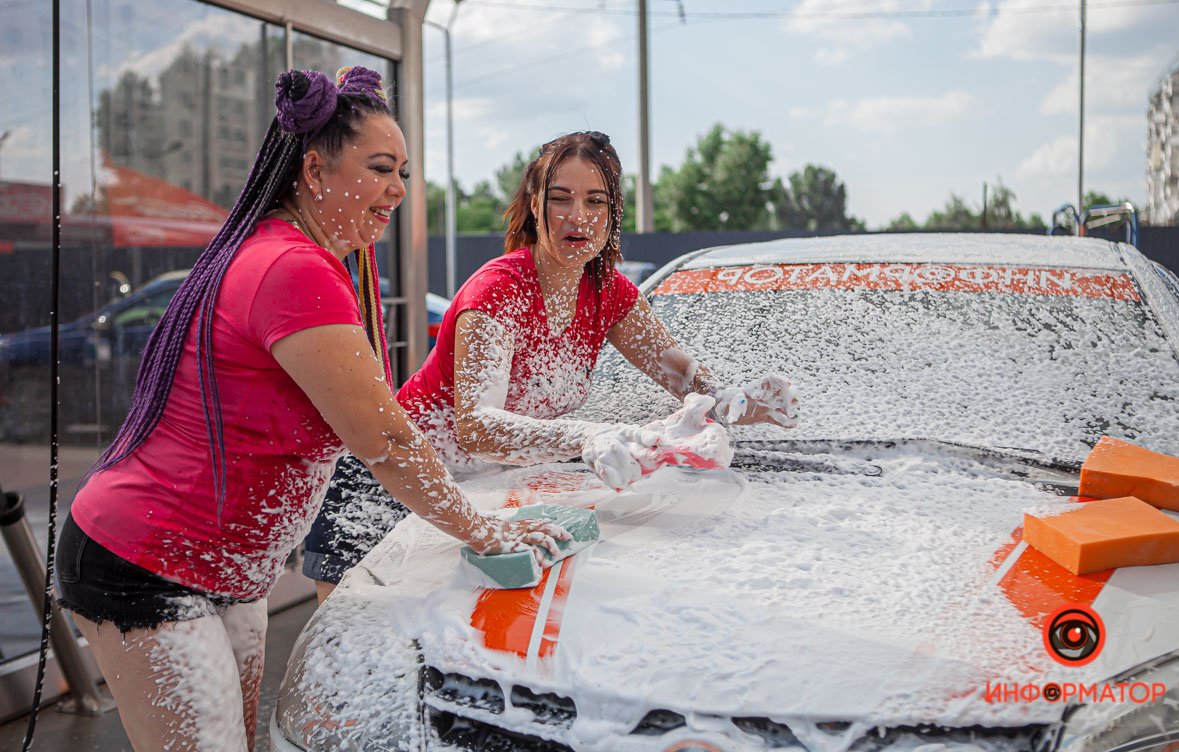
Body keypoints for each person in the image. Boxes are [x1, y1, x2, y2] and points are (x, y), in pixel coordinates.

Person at [54, 66, 564, 752]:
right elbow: (384, 437)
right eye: (381, 168)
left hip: (224, 570)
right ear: (316, 169)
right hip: (147, 560)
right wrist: (484, 532)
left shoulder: (296, 257)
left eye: (404, 172)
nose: (399, 190)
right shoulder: (292, 268)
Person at [304, 129, 801, 602]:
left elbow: (685, 378)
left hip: (473, 497)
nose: (577, 217)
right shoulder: (499, 290)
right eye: (560, 198)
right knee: (357, 660)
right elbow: (476, 427)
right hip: (388, 486)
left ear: (613, 213)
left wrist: (738, 403)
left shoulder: (609, 295)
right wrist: (587, 436)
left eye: (595, 201)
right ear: (534, 208)